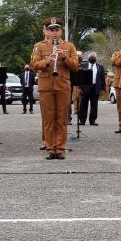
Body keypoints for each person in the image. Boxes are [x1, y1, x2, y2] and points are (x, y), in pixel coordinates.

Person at [30, 17, 79, 159]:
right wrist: (47, 61)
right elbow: (33, 65)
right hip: (46, 86)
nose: (55, 33)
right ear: (48, 32)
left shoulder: (69, 46)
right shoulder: (39, 46)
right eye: (52, 30)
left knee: (61, 119)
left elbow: (76, 67)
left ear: (61, 31)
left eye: (57, 30)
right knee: (49, 119)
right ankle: (51, 149)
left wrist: (64, 57)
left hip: (63, 86)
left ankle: (61, 149)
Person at [78, 52, 106, 126]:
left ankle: (92, 120)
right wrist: (79, 87)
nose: (92, 58)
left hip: (95, 88)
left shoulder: (100, 67)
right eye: (91, 57)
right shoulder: (83, 65)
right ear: (88, 58)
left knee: (94, 105)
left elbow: (103, 78)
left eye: (94, 57)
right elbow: (80, 77)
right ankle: (82, 120)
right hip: (85, 87)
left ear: (96, 58)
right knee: (83, 104)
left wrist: (103, 89)